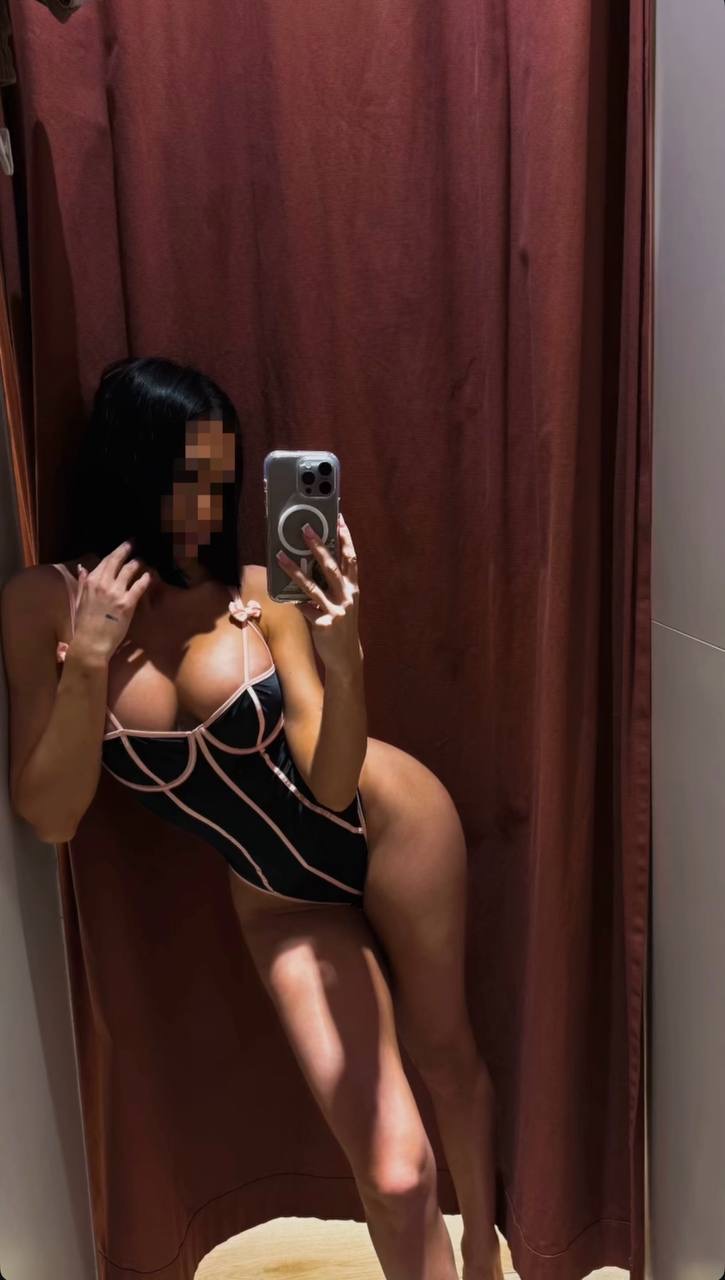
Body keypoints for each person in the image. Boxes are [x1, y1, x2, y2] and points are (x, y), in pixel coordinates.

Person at [1, 356, 504, 1280]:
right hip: (282, 897)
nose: (206, 508)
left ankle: (483, 1255)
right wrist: (90, 664)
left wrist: (341, 656)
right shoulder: (44, 606)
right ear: (130, 467)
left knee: (444, 1050)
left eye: (221, 483)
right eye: (186, 480)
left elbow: (331, 784)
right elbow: (53, 817)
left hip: (390, 826)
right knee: (395, 1175)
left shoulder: (258, 591)